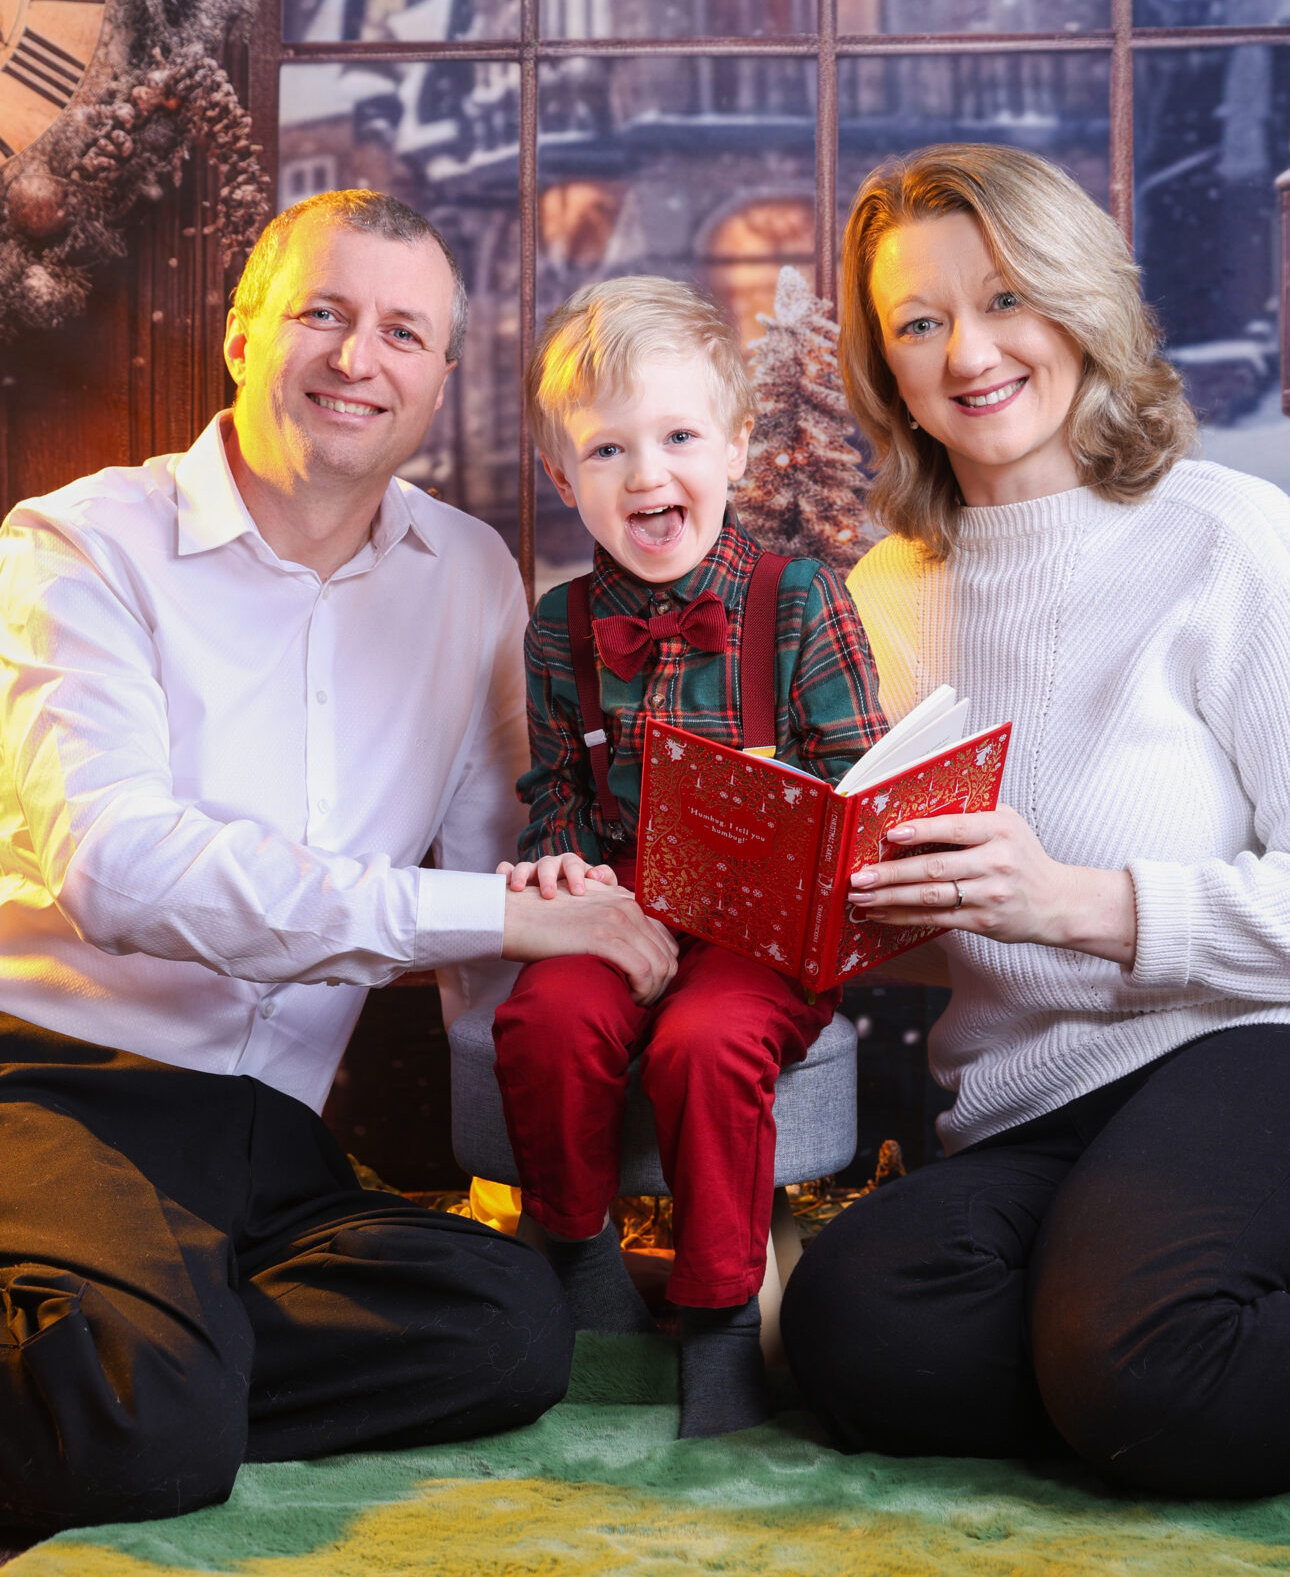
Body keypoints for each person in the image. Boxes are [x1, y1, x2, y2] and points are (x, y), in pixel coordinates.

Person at [0, 190, 678, 1534]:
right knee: (147, 1431)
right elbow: (120, 867)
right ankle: (136, 1377)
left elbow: (496, 891)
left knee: (503, 1331)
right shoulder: (76, 547)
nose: (357, 358)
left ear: (436, 381)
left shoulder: (469, 575)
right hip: (55, 1083)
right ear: (244, 338)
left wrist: (584, 1099)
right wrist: (495, 912)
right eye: (323, 313)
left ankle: (135, 1349)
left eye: (402, 332)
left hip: (270, 1135)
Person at [779, 142, 1290, 1499]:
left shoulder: (1228, 537)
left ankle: (1134, 1350)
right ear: (885, 366)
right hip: (1022, 1103)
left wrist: (1072, 901)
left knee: (1148, 1367)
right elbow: (937, 922)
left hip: (1237, 1057)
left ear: (1076, 302)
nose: (968, 353)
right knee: (848, 1329)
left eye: (1003, 299)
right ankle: (1123, 1342)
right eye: (918, 322)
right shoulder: (879, 593)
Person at [489, 277, 886, 1437]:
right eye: (606, 450)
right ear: (566, 481)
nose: (647, 475)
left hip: (764, 937)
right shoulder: (561, 628)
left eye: (677, 438)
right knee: (547, 1019)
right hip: (624, 914)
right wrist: (562, 864)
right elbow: (556, 786)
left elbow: (859, 782)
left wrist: (816, 863)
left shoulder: (802, 599)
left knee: (707, 1044)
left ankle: (718, 1314)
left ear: (740, 446)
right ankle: (573, 1249)